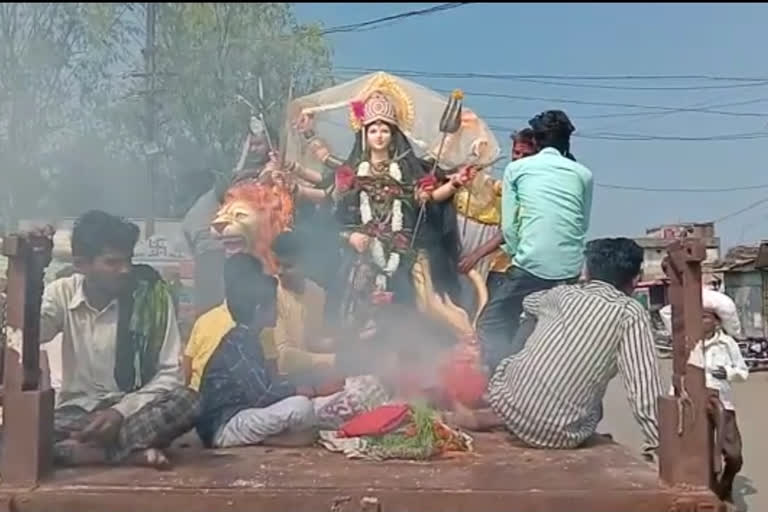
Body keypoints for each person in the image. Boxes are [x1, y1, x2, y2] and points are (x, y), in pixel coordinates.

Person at [450, 238, 662, 461]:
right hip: (559, 436)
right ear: (636, 279)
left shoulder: (562, 295)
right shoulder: (630, 313)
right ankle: (532, 416)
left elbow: (529, 302)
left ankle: (505, 411)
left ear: (587, 273)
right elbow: (642, 387)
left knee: (531, 318)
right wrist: (660, 445)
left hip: (505, 401)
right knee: (595, 405)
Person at [37, 210, 199, 469]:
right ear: (81, 264)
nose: (124, 270)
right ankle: (126, 453)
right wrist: (32, 274)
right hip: (77, 415)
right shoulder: (61, 293)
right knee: (23, 429)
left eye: (128, 260)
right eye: (112, 262)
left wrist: (119, 412)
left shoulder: (152, 297)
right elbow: (29, 333)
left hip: (133, 412)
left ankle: (81, 454)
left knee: (188, 401)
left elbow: (170, 375)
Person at [482, 110, 593, 371]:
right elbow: (583, 223)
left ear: (537, 142)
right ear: (568, 142)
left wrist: (519, 254)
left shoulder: (516, 170)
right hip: (570, 270)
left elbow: (509, 227)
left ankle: (501, 379)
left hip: (530, 265)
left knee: (492, 321)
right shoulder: (583, 174)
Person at [195, 253, 318, 448]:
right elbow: (262, 395)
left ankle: (271, 438)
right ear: (260, 309)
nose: (277, 309)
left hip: (241, 415)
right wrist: (299, 389)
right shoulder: (239, 344)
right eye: (273, 305)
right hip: (223, 427)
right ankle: (272, 439)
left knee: (303, 406)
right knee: (301, 407)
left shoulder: (249, 338)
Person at [661, 289, 747, 502]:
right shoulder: (686, 341)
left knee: (734, 455)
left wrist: (728, 372)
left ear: (717, 322)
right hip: (690, 403)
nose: (700, 321)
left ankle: (725, 485)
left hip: (721, 403)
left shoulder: (728, 344)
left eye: (706, 317)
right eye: (697, 316)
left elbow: (743, 372)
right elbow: (666, 313)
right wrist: (690, 297)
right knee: (697, 454)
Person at [271, 232, 337, 380]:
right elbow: (283, 358)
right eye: (277, 264)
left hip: (310, 375)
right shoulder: (270, 295)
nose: (280, 272)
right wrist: (334, 360)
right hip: (281, 382)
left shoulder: (317, 293)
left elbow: (312, 341)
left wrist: (347, 342)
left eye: (288, 266)